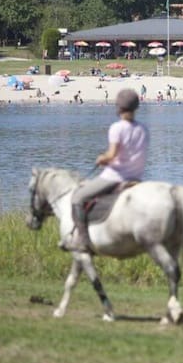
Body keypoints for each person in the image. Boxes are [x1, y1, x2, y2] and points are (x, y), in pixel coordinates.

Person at [64, 88, 149, 253]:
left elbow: (112, 154)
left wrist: (101, 158)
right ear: (136, 107)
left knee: (78, 197)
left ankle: (83, 241)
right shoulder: (143, 128)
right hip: (136, 176)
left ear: (118, 108)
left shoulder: (117, 128)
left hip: (116, 177)